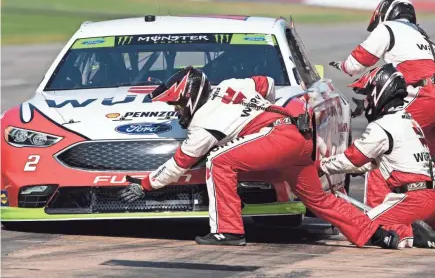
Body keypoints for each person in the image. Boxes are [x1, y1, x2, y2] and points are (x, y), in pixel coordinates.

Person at [117, 66, 402, 248]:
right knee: (318, 200)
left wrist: (145, 185)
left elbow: (179, 165)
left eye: (177, 104)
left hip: (278, 138)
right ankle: (378, 235)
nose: (177, 111)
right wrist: (259, 108)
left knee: (218, 161)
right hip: (297, 137)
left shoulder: (203, 124)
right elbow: (265, 83)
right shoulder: (233, 83)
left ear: (190, 96)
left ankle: (228, 231)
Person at [317, 63, 435, 248]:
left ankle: (412, 234)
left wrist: (321, 165)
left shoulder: (382, 126)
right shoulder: (409, 121)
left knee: (362, 227)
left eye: (367, 95)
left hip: (412, 199)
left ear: (380, 91)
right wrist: (354, 168)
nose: (365, 102)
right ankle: (418, 229)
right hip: (429, 195)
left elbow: (354, 158)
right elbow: (375, 161)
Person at [329, 0, 435, 156]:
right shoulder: (426, 39)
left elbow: (355, 65)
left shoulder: (388, 28)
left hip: (423, 97)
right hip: (426, 96)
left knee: (384, 147)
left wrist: (342, 66)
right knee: (425, 157)